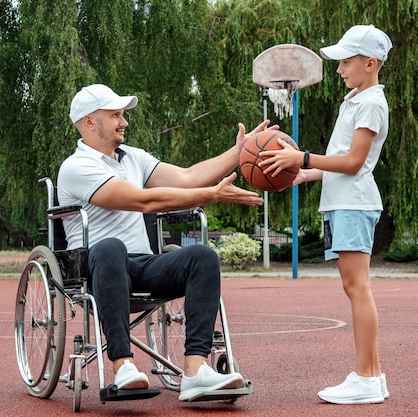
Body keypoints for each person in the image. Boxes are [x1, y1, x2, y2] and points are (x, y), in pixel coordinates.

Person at [57, 83, 271, 401]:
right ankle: (124, 365)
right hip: (96, 265)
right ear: (90, 121)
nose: (124, 121)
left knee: (202, 256)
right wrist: (212, 195)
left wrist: (239, 153)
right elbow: (142, 201)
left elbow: (186, 178)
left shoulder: (134, 159)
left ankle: (196, 370)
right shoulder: (77, 167)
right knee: (111, 246)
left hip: (143, 263)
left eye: (122, 114)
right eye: (114, 115)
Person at [259, 24, 393, 404]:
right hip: (343, 202)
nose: (338, 69)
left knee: (357, 290)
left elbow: (353, 162)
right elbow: (342, 161)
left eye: (346, 62)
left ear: (370, 63)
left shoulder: (370, 103)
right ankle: (374, 376)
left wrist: (300, 156)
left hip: (354, 203)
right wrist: (306, 173)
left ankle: (366, 378)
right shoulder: (356, 100)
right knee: (356, 289)